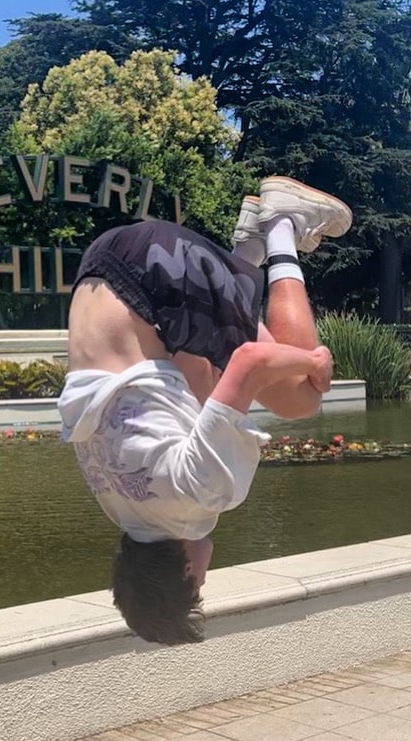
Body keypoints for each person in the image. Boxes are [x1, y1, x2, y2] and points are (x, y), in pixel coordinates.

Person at [58, 177, 352, 645]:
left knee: (298, 398)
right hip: (101, 268)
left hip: (154, 275)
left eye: (200, 584)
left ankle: (280, 223)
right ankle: (249, 241)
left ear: (189, 575)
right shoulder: (118, 506)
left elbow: (250, 363)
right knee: (201, 398)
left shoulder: (200, 501)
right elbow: (200, 383)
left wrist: (311, 363)